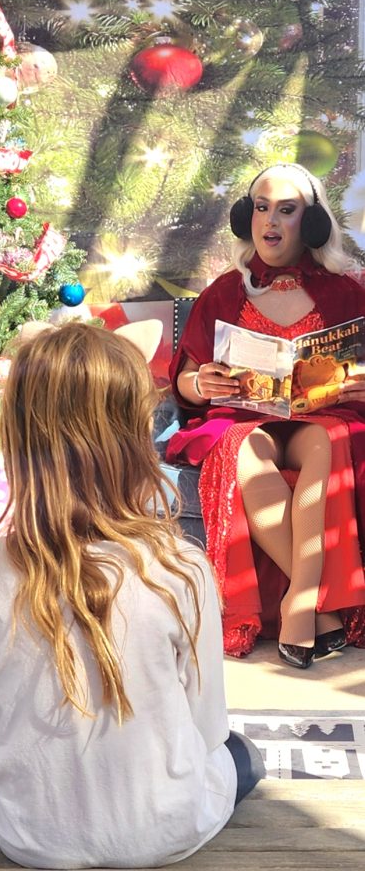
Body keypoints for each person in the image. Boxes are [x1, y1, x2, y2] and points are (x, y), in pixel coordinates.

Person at [0, 322, 263, 870]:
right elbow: (209, 728)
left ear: (20, 440)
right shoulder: (182, 567)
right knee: (245, 756)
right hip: (165, 830)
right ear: (135, 438)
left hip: (28, 837)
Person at [167, 162, 365, 667]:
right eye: (260, 208)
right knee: (241, 448)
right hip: (243, 419)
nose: (270, 221)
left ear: (312, 222)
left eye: (286, 210)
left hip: (323, 420)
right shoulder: (224, 291)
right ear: (245, 217)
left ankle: (301, 603)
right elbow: (187, 381)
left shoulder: (346, 292)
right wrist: (200, 381)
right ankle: (320, 615)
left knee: (325, 441)